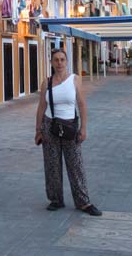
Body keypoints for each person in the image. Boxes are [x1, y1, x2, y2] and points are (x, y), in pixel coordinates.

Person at [34, 48, 102, 216]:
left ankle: (83, 202)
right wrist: (38, 130)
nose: (59, 63)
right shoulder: (46, 82)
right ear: (51, 62)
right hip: (50, 126)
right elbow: (41, 106)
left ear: (67, 62)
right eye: (56, 60)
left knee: (76, 165)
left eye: (62, 59)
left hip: (70, 127)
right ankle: (56, 199)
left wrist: (83, 128)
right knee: (52, 165)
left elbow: (82, 104)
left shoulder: (75, 80)